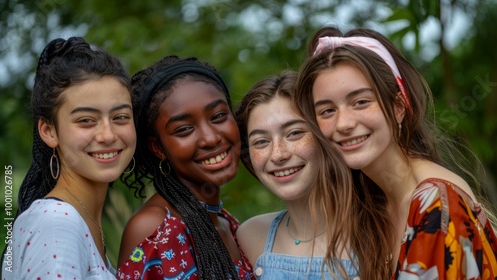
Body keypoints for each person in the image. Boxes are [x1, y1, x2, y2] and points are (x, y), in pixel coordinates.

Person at [295, 26, 497, 279]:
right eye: (327, 111)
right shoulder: (376, 204)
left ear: (399, 106)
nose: (343, 123)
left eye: (360, 102)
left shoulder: (436, 203)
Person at [1, 37, 136, 279]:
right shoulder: (56, 224)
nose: (108, 134)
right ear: (49, 131)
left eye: (120, 117)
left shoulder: (78, 220)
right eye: (86, 120)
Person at [116, 55, 254, 280]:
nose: (210, 138)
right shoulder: (155, 229)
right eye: (184, 130)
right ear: (157, 147)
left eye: (218, 116)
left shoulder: (227, 223)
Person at [234, 71, 362, 279]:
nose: (278, 154)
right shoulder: (251, 236)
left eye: (294, 133)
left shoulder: (380, 229)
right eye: (261, 141)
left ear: (324, 134)